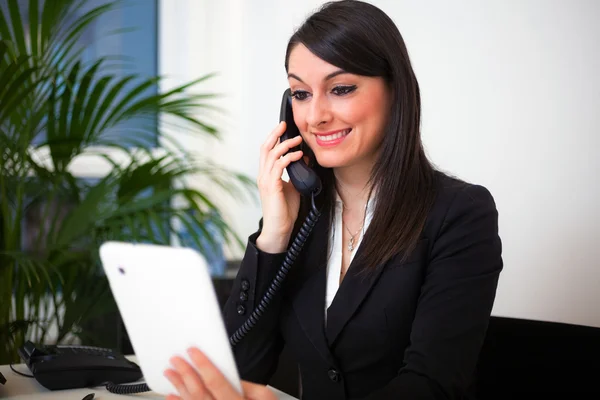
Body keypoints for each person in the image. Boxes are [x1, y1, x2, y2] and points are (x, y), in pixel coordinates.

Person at [163, 0, 503, 399]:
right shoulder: (301, 214)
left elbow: (432, 384)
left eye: (340, 89)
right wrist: (273, 237)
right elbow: (237, 375)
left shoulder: (458, 213)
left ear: (396, 91)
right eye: (301, 94)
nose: (315, 116)